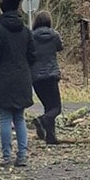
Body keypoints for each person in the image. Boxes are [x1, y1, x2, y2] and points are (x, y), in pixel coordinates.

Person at [0, 0, 34, 167]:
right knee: (20, 118)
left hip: (3, 78)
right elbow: (32, 55)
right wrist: (25, 69)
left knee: (5, 118)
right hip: (22, 77)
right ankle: (22, 155)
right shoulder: (26, 31)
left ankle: (6, 156)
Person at [29, 10, 64, 144]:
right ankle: (43, 120)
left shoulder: (31, 36)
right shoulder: (54, 35)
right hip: (51, 75)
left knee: (47, 106)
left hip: (36, 77)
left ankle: (50, 136)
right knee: (56, 108)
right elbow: (60, 47)